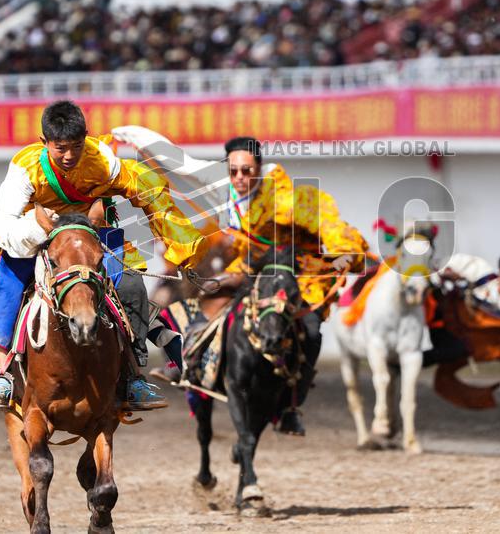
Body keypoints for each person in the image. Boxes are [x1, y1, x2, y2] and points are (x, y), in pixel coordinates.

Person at [111, 125, 369, 435]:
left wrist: (343, 253)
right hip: (248, 268)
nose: (239, 178)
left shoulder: (292, 198)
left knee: (311, 331)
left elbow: (331, 225)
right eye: (233, 171)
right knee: (192, 306)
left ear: (260, 169)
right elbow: (183, 163)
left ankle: (291, 406)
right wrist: (136, 137)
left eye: (247, 171)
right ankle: (190, 368)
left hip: (294, 274)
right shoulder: (226, 186)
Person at [0, 100, 206, 411]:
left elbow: (150, 187)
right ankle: (2, 375)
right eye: (60, 148)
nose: (70, 155)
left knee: (130, 286)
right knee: (8, 282)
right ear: (44, 142)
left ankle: (133, 375)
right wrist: (36, 230)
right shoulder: (25, 168)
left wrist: (184, 253)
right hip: (39, 236)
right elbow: (1, 222)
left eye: (76, 145)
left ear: (86, 136)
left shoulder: (103, 161)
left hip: (92, 235)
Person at [424, 251, 500, 381]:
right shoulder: (480, 271)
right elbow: (436, 265)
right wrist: (444, 274)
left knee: (454, 351)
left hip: (458, 337)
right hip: (437, 312)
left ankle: (401, 364)